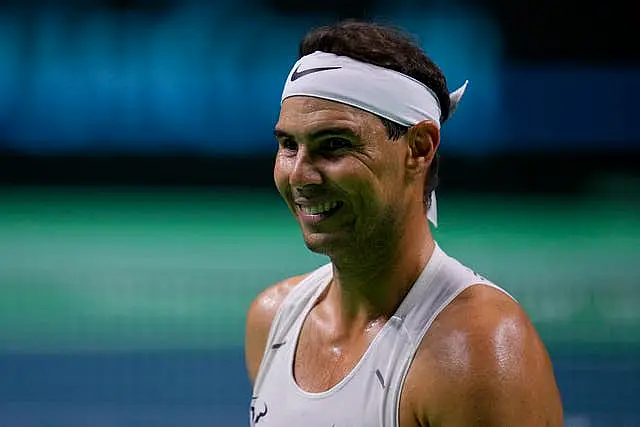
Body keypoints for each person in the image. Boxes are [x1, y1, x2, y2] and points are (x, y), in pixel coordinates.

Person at [245, 20, 563, 426]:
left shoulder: (476, 352)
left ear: (419, 147)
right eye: (289, 145)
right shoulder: (272, 321)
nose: (301, 175)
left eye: (335, 145)